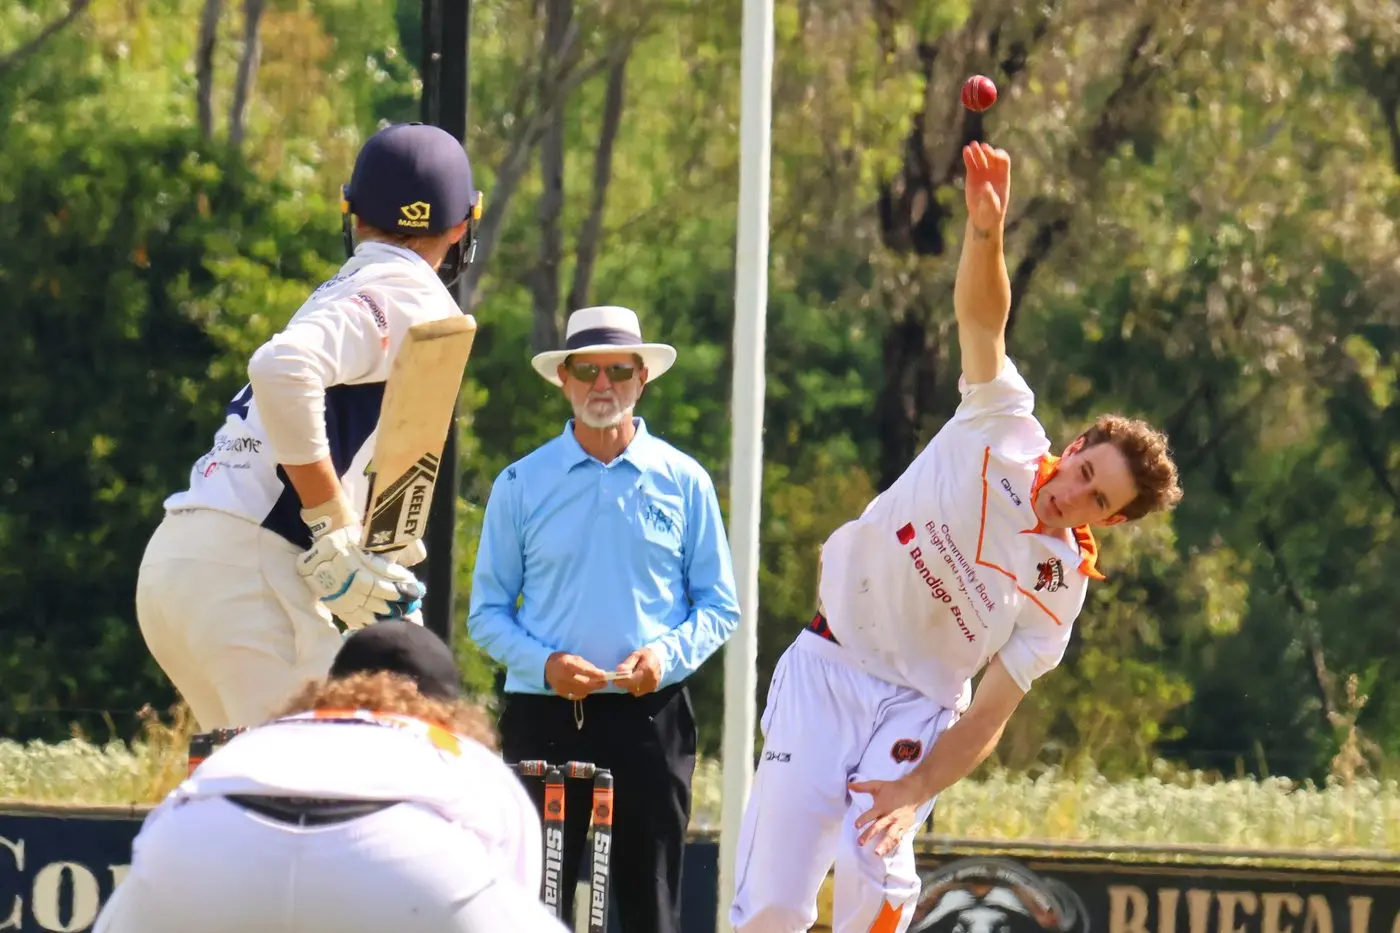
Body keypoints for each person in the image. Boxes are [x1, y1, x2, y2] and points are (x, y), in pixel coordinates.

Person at [728, 142, 1184, 933]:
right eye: (1083, 467)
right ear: (1072, 446)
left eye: (1096, 497)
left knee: (877, 874)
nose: (1072, 489)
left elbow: (989, 714)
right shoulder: (1002, 422)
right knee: (774, 899)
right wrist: (985, 231)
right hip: (830, 662)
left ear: (1108, 519)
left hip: (919, 707)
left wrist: (914, 791)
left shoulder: (1060, 588)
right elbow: (982, 316)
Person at [135, 121, 482, 731]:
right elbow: (281, 366)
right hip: (253, 574)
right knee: (324, 790)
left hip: (187, 562)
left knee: (249, 801)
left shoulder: (345, 286)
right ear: (461, 228)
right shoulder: (408, 290)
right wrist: (334, 528)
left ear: (353, 215)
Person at [466, 304, 742, 933]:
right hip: (544, 718)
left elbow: (719, 604)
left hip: (652, 718)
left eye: (619, 369)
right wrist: (545, 664)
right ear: (562, 379)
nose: (602, 384)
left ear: (642, 378)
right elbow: (486, 614)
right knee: (534, 904)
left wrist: (664, 658)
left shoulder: (685, 481)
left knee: (651, 907)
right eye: (586, 370)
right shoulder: (520, 484)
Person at [94, 621, 565, 933]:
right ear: (449, 711)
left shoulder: (266, 736)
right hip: (409, 858)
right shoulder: (461, 752)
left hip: (202, 843)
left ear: (328, 692)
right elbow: (514, 884)